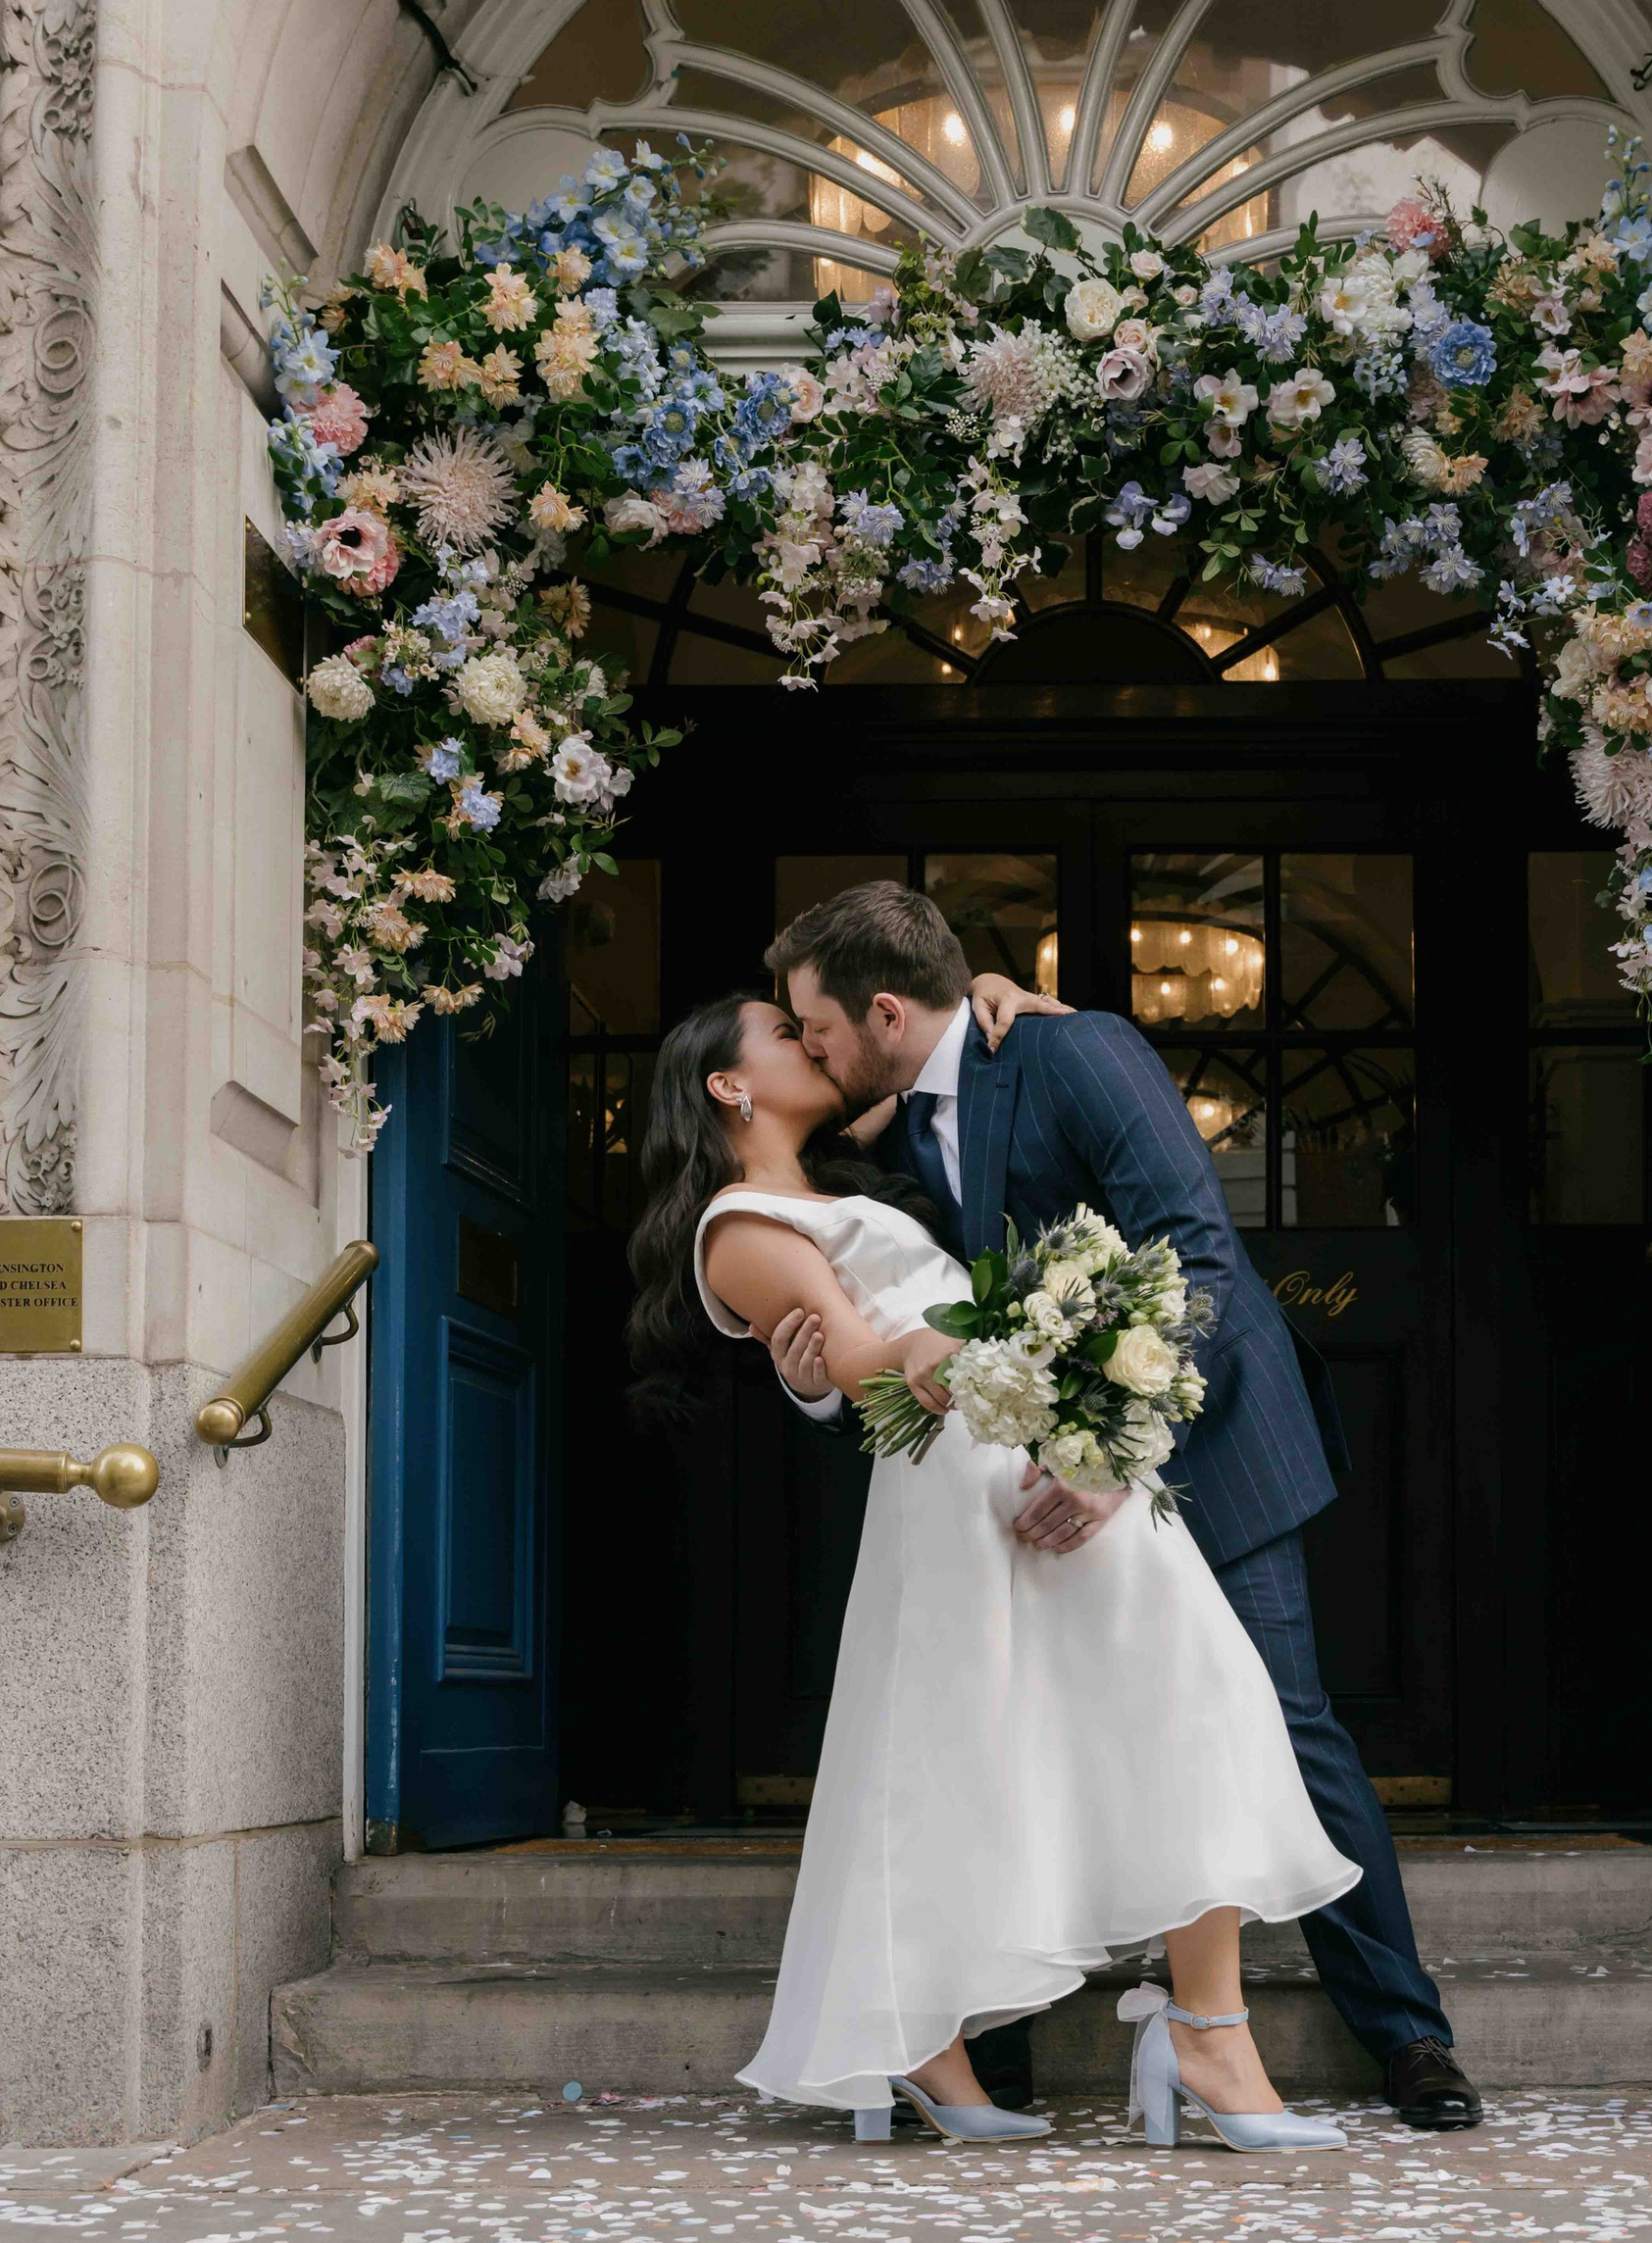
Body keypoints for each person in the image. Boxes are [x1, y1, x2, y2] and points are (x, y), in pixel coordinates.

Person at [765, 879, 1484, 2131]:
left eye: (816, 1028)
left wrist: (1116, 1450)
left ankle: (1407, 2036)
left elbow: (1197, 1253)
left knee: (1282, 1722)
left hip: (1199, 1446)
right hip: (1035, 1486)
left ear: (883, 1010)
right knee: (1050, 1742)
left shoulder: (1073, 1050)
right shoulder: (872, 1140)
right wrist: (824, 1389)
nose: (810, 1051)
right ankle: (1053, 2042)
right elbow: (898, 1323)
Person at [623, 987, 1360, 2151]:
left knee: (1200, 1701)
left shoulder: (840, 1176)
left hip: (1037, 1455)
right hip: (965, 1495)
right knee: (950, 1762)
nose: (813, 1044)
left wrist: (990, 991)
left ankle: (1204, 2030)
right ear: (730, 1084)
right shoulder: (741, 1224)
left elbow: (918, 1045)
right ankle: (928, 2045)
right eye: (785, 1034)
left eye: (815, 1023)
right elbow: (867, 1371)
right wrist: (976, 1331)